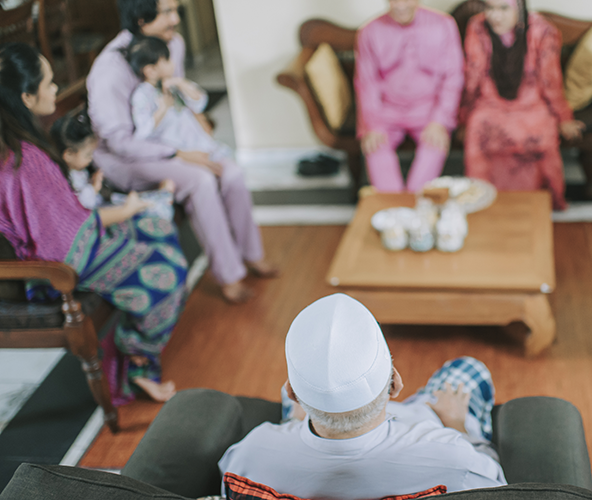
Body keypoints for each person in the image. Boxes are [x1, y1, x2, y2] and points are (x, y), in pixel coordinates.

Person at [0, 42, 186, 403]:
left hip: (75, 239)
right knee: (169, 271)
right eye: (49, 83)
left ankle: (136, 341)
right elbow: (59, 240)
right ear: (25, 95)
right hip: (62, 263)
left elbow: (60, 216)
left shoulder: (19, 146)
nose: (55, 89)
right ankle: (136, 363)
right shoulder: (23, 160)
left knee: (158, 227)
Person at [218, 294, 506, 498]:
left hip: (303, 429)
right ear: (395, 383)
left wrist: (288, 426)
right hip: (431, 420)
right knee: (468, 369)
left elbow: (228, 484)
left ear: (293, 394)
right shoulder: (451, 454)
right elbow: (498, 487)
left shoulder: (252, 452)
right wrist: (456, 425)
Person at [87, 0, 276, 304]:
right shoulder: (110, 69)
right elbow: (120, 142)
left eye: (177, 10)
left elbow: (177, 94)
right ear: (140, 20)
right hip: (127, 159)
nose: (176, 19)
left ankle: (251, 254)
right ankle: (229, 275)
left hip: (172, 143)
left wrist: (194, 120)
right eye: (167, 13)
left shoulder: (173, 43)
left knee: (232, 171)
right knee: (200, 179)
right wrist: (178, 154)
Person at [460, 0, 583, 210]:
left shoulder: (543, 32)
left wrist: (564, 118)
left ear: (519, 8)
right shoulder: (477, 27)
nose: (495, 16)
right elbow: (472, 78)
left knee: (541, 133)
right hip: (490, 103)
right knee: (478, 130)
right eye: (489, 8)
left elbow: (550, 81)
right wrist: (462, 118)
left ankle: (538, 205)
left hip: (530, 103)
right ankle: (483, 204)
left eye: (503, 8)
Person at [355, 0, 464, 193]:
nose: (400, 5)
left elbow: (453, 78)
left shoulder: (444, 24)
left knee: (432, 151)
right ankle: (393, 209)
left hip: (429, 111)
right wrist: (373, 125)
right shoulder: (368, 32)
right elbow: (366, 82)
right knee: (375, 149)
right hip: (386, 111)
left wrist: (440, 121)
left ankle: (414, 208)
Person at [50, 106, 175, 218]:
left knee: (139, 197)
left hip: (105, 203)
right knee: (144, 207)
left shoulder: (79, 170)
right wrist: (93, 188)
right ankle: (160, 203)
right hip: (99, 214)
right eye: (88, 155)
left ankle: (159, 200)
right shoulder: (65, 179)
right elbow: (80, 206)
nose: (91, 158)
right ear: (69, 155)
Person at [126, 36, 232, 163]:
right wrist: (163, 109)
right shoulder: (141, 95)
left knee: (228, 160)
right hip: (178, 151)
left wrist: (179, 82)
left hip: (198, 141)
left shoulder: (172, 85)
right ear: (151, 70)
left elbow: (200, 102)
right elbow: (142, 133)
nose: (173, 63)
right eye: (167, 60)